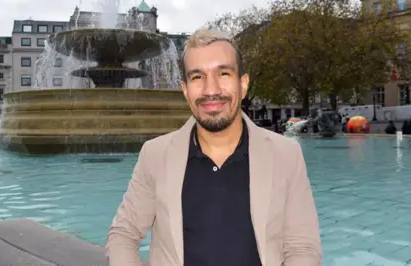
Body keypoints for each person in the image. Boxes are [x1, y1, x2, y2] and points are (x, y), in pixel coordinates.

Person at [106, 29, 322, 266]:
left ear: (244, 84)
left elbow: (302, 248)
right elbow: (123, 234)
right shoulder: (155, 155)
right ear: (186, 90)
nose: (211, 90)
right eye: (197, 77)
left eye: (224, 73)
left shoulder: (286, 155)